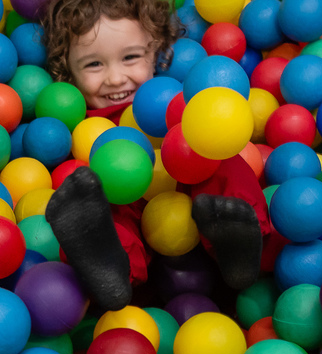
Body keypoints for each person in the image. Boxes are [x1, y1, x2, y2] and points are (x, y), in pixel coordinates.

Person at [40, 0, 272, 310]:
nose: (115, 78)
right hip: (129, 194)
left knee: (214, 151)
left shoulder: (177, 99)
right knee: (98, 190)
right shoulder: (79, 125)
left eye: (130, 57)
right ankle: (110, 266)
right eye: (94, 64)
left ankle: (239, 242)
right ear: (68, 71)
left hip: (194, 194)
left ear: (156, 52)